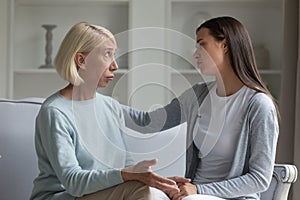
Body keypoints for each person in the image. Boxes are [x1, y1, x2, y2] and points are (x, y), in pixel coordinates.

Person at [123, 16, 279, 200]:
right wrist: (101, 104)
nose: (195, 53)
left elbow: (259, 179)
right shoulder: (198, 95)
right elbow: (148, 122)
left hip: (228, 197)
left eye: (201, 44)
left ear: (225, 45)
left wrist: (199, 191)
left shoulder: (259, 105)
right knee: (145, 194)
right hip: (192, 194)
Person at [30, 22, 188, 200]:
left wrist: (158, 182)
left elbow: (126, 167)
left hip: (103, 194)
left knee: (153, 191)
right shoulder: (55, 112)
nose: (115, 65)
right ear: (81, 60)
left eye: (114, 56)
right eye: (107, 55)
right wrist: (134, 177)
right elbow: (73, 182)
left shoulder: (110, 106)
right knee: (142, 191)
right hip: (62, 196)